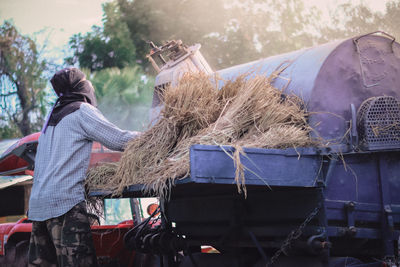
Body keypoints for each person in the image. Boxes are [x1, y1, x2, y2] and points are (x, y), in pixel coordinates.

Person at [27, 67, 139, 266]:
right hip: (64, 205)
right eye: (87, 82)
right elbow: (119, 140)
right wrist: (153, 136)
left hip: (38, 207)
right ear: (81, 87)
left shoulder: (50, 120)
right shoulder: (81, 111)